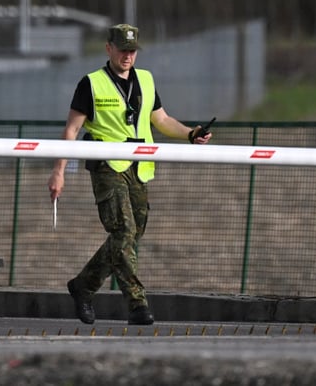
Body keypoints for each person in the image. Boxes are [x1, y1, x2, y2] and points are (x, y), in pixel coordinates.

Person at [47, 23, 212, 325]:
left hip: (140, 168)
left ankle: (83, 286)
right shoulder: (91, 83)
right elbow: (71, 129)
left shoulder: (146, 80)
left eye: (132, 50)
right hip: (108, 166)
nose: (127, 56)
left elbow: (161, 119)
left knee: (129, 238)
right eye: (122, 49)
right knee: (123, 233)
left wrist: (192, 133)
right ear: (108, 48)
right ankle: (137, 304)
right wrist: (59, 172)